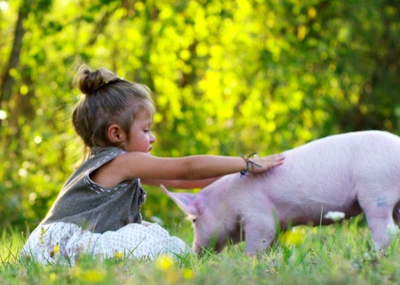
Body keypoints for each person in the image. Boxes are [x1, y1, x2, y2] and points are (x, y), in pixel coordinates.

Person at [20, 65, 285, 264]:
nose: (153, 137)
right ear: (117, 135)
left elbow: (182, 180)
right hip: (59, 245)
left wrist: (236, 175)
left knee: (162, 244)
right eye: (146, 130)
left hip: (51, 244)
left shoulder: (117, 166)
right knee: (152, 242)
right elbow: (185, 168)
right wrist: (245, 163)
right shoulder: (123, 162)